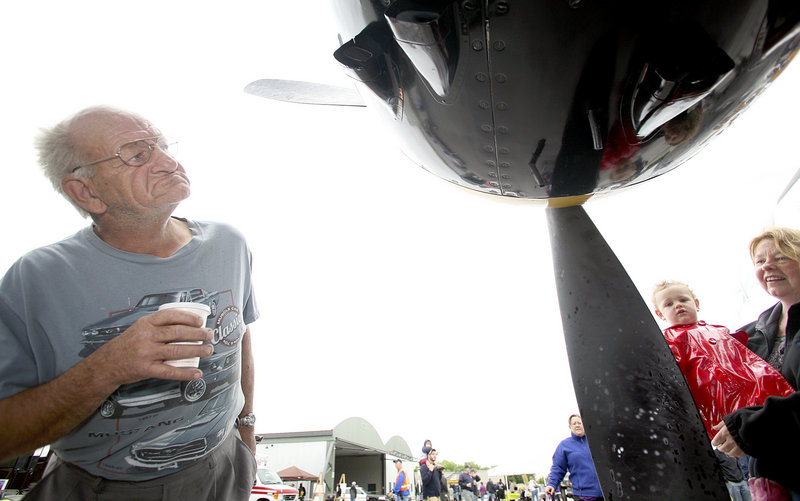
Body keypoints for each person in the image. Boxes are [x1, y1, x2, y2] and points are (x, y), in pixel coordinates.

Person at [0, 106, 258, 500]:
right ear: (86, 192)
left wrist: (246, 429)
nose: (169, 162)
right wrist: (109, 366)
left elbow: (239, 336)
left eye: (162, 146)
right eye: (138, 155)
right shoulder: (35, 278)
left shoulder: (229, 244)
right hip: (100, 487)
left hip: (223, 467)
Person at [713, 227, 800, 497]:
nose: (768, 266)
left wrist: (752, 427)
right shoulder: (751, 334)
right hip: (771, 478)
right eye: (760, 261)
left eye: (781, 256)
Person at [652, 280, 794, 439]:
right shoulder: (670, 340)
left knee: (784, 422)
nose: (678, 305)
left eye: (683, 300)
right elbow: (669, 376)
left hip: (761, 389)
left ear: (696, 303)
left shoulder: (718, 329)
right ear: (660, 314)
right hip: (724, 406)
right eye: (669, 304)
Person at [545, 414, 604, 501]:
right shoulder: (564, 446)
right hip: (584, 495)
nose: (577, 425)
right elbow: (558, 467)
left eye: (579, 423)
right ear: (570, 426)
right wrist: (552, 484)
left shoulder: (596, 442)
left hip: (606, 492)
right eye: (574, 423)